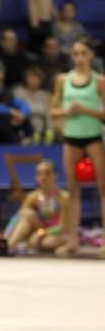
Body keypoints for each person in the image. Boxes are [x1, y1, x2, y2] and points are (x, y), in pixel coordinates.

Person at [50, 37, 105, 257]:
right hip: (71, 138)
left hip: (93, 137)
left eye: (83, 53)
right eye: (76, 54)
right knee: (72, 189)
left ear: (91, 55)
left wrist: (85, 110)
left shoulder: (99, 81)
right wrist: (67, 112)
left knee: (103, 189)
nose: (80, 58)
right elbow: (54, 111)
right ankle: (72, 240)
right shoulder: (63, 80)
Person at [6, 160, 69, 253]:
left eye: (47, 173)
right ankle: (8, 245)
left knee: (48, 242)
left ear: (55, 175)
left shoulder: (64, 197)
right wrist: (6, 234)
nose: (43, 177)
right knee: (27, 214)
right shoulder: (33, 197)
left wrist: (41, 233)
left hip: (56, 233)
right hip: (38, 230)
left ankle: (23, 245)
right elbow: (17, 218)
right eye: (39, 174)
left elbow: (63, 226)